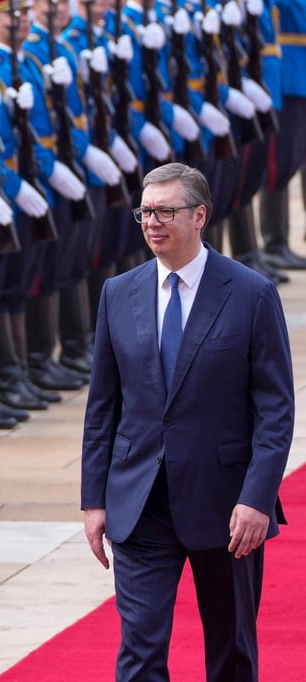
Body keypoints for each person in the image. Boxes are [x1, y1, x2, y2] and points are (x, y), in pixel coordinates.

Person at [82, 163, 294, 681]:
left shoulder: (250, 294)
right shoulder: (118, 293)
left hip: (226, 506)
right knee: (139, 651)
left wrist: (256, 499)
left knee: (231, 650)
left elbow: (276, 411)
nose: (152, 222)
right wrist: (94, 500)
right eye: (145, 212)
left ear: (199, 216)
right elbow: (102, 406)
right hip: (140, 501)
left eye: (165, 211)